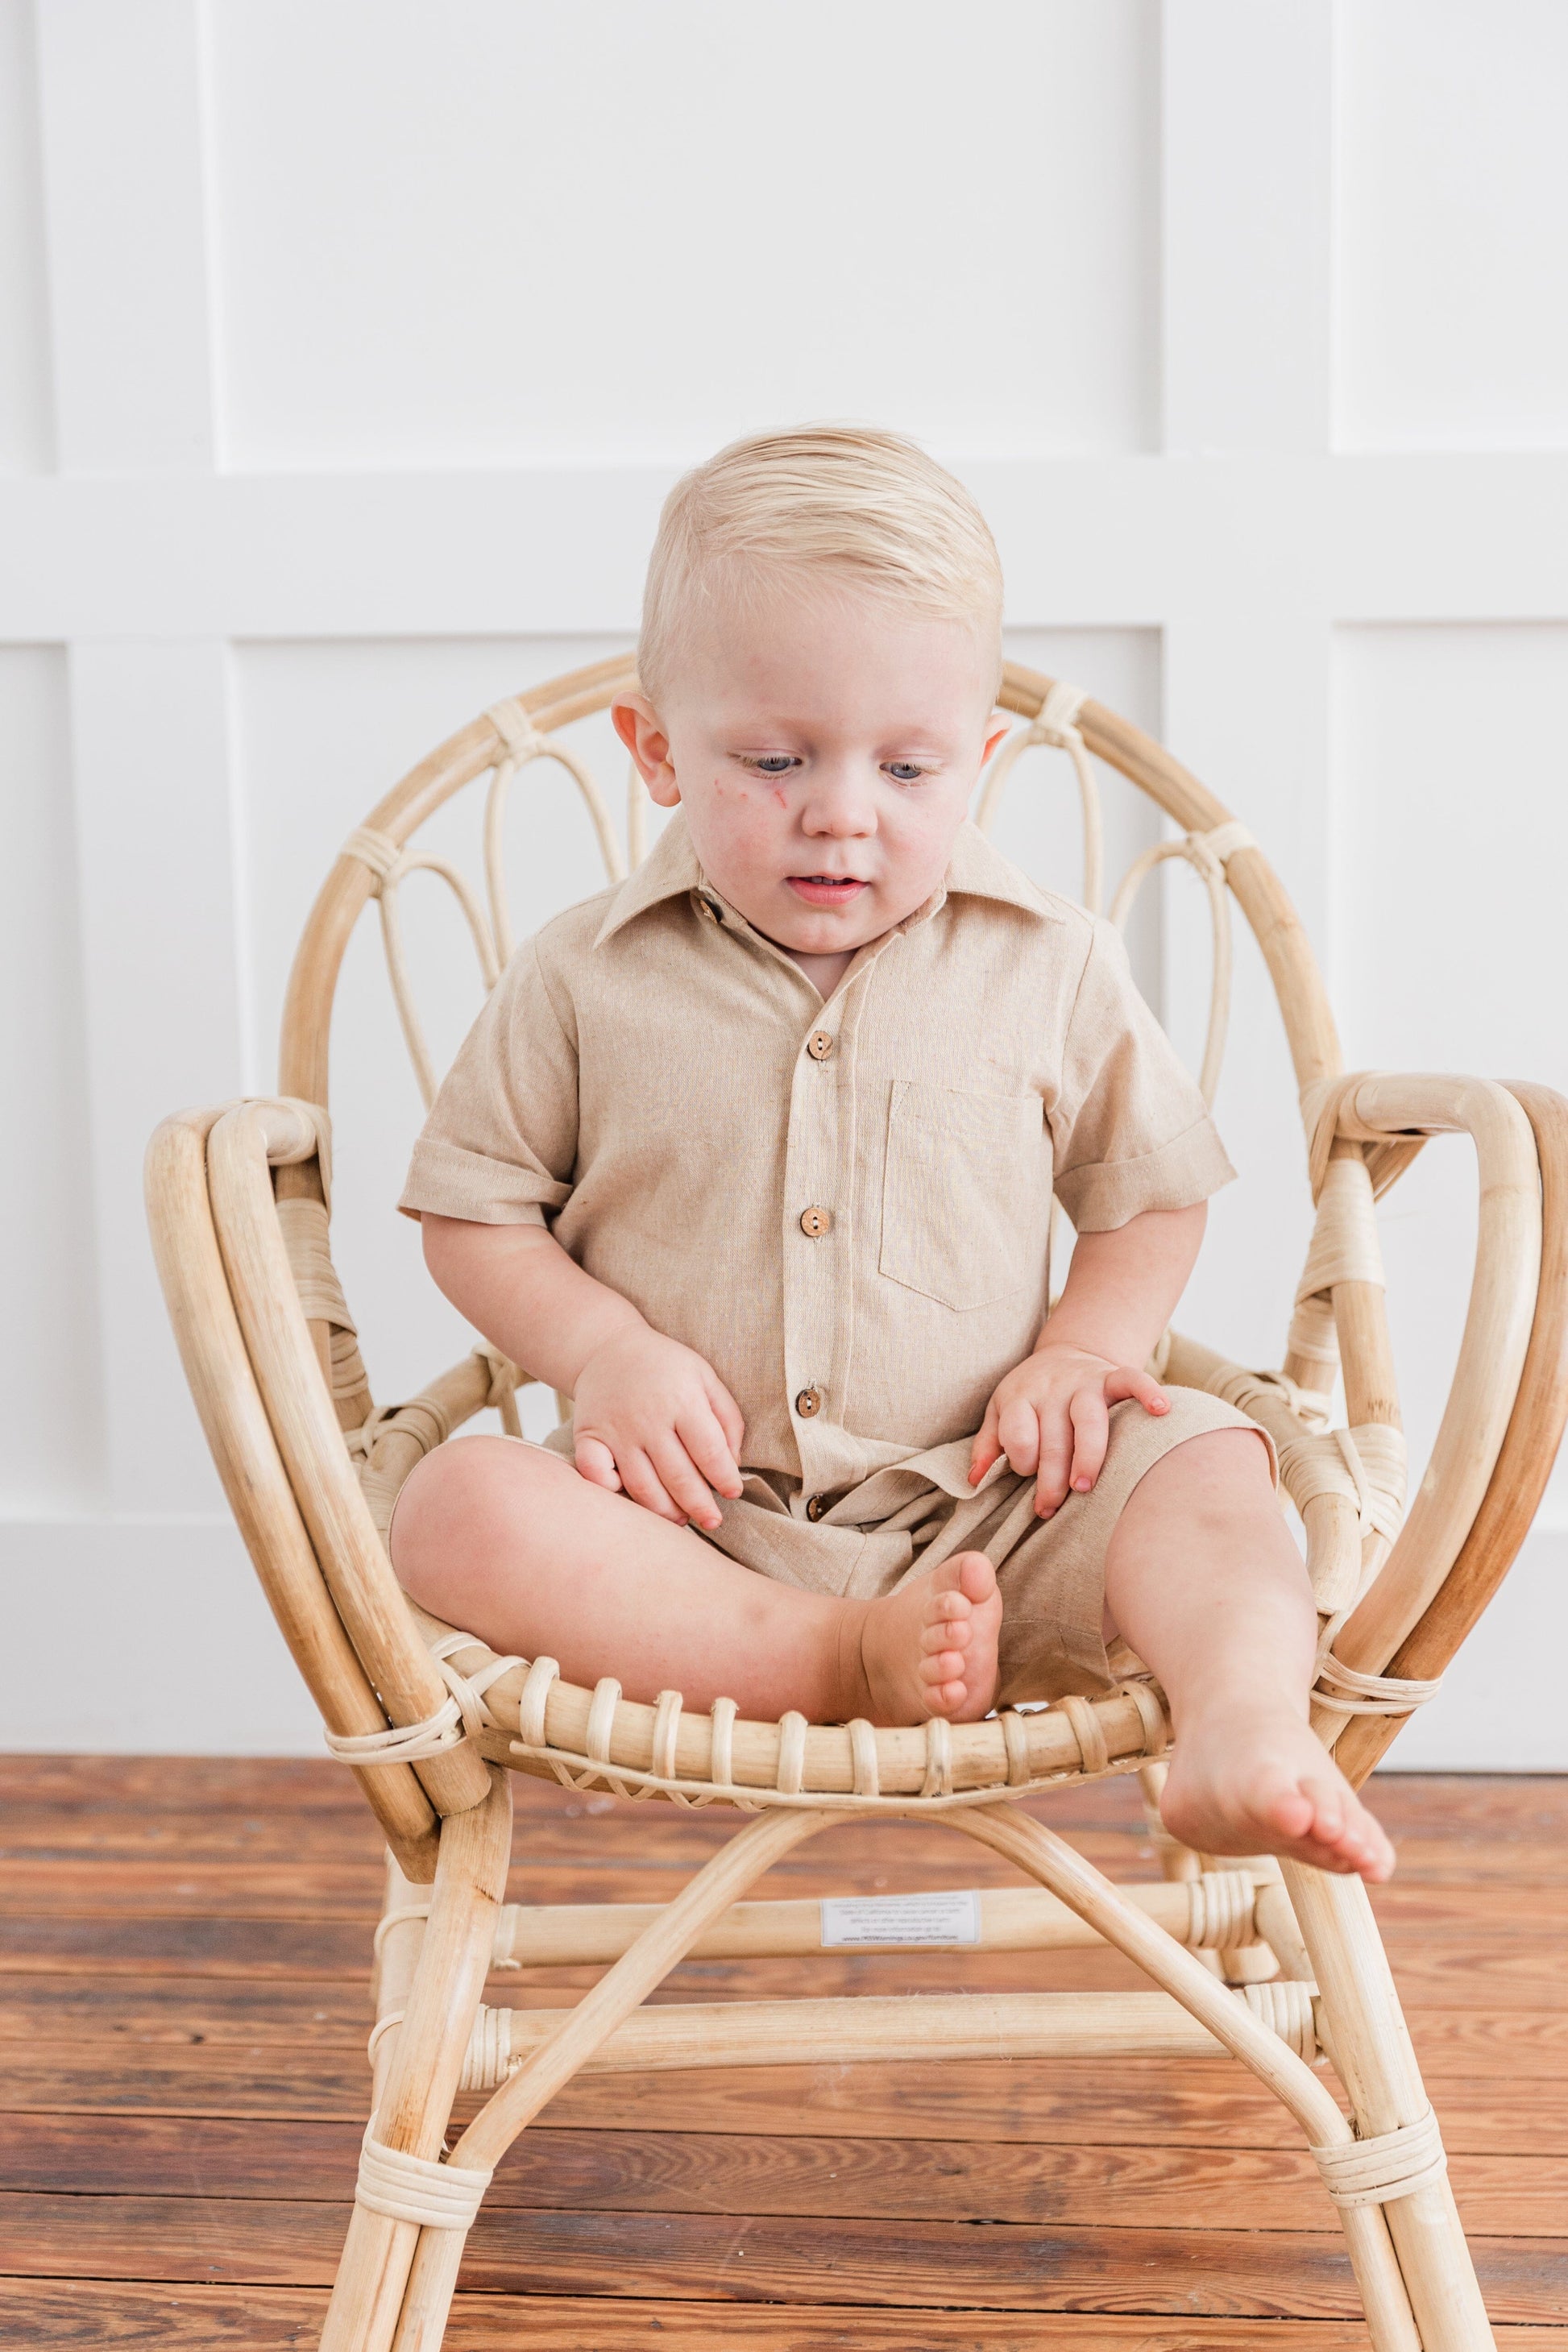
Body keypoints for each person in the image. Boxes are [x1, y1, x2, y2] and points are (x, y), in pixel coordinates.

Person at [392, 424, 1392, 1881]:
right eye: (776, 756)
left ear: (977, 761)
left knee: (1211, 1455)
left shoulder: (1046, 960)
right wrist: (599, 1351)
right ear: (656, 750)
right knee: (455, 1509)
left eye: (909, 767)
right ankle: (823, 1656)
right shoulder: (580, 978)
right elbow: (472, 1216)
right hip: (690, 1524)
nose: (842, 810)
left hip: (999, 1497)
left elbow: (1148, 1197)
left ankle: (1242, 1724)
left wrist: (1079, 1348)